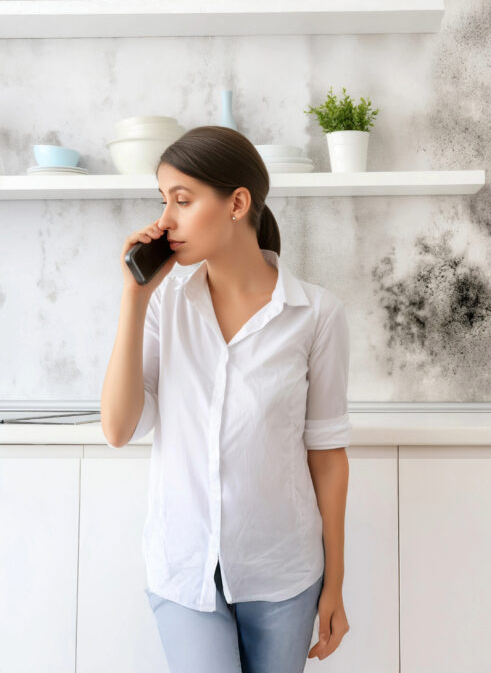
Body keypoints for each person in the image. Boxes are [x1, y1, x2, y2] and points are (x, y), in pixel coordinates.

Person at [100, 126, 352, 672]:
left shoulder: (317, 314)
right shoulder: (165, 305)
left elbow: (327, 456)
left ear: (238, 203)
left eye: (182, 201)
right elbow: (119, 429)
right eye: (163, 201)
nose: (164, 221)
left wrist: (335, 584)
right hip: (184, 569)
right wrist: (133, 297)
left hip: (283, 571)